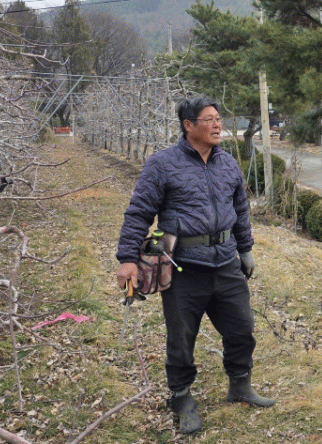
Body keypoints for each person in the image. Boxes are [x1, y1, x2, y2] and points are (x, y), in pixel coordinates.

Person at [116, 96, 274, 435]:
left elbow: (240, 208)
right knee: (182, 339)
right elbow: (139, 213)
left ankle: (240, 384)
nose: (218, 124)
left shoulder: (227, 163)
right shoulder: (162, 164)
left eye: (219, 118)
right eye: (209, 119)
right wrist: (128, 259)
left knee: (242, 329)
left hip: (226, 263)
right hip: (183, 267)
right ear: (189, 125)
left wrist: (245, 249)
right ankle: (181, 397)